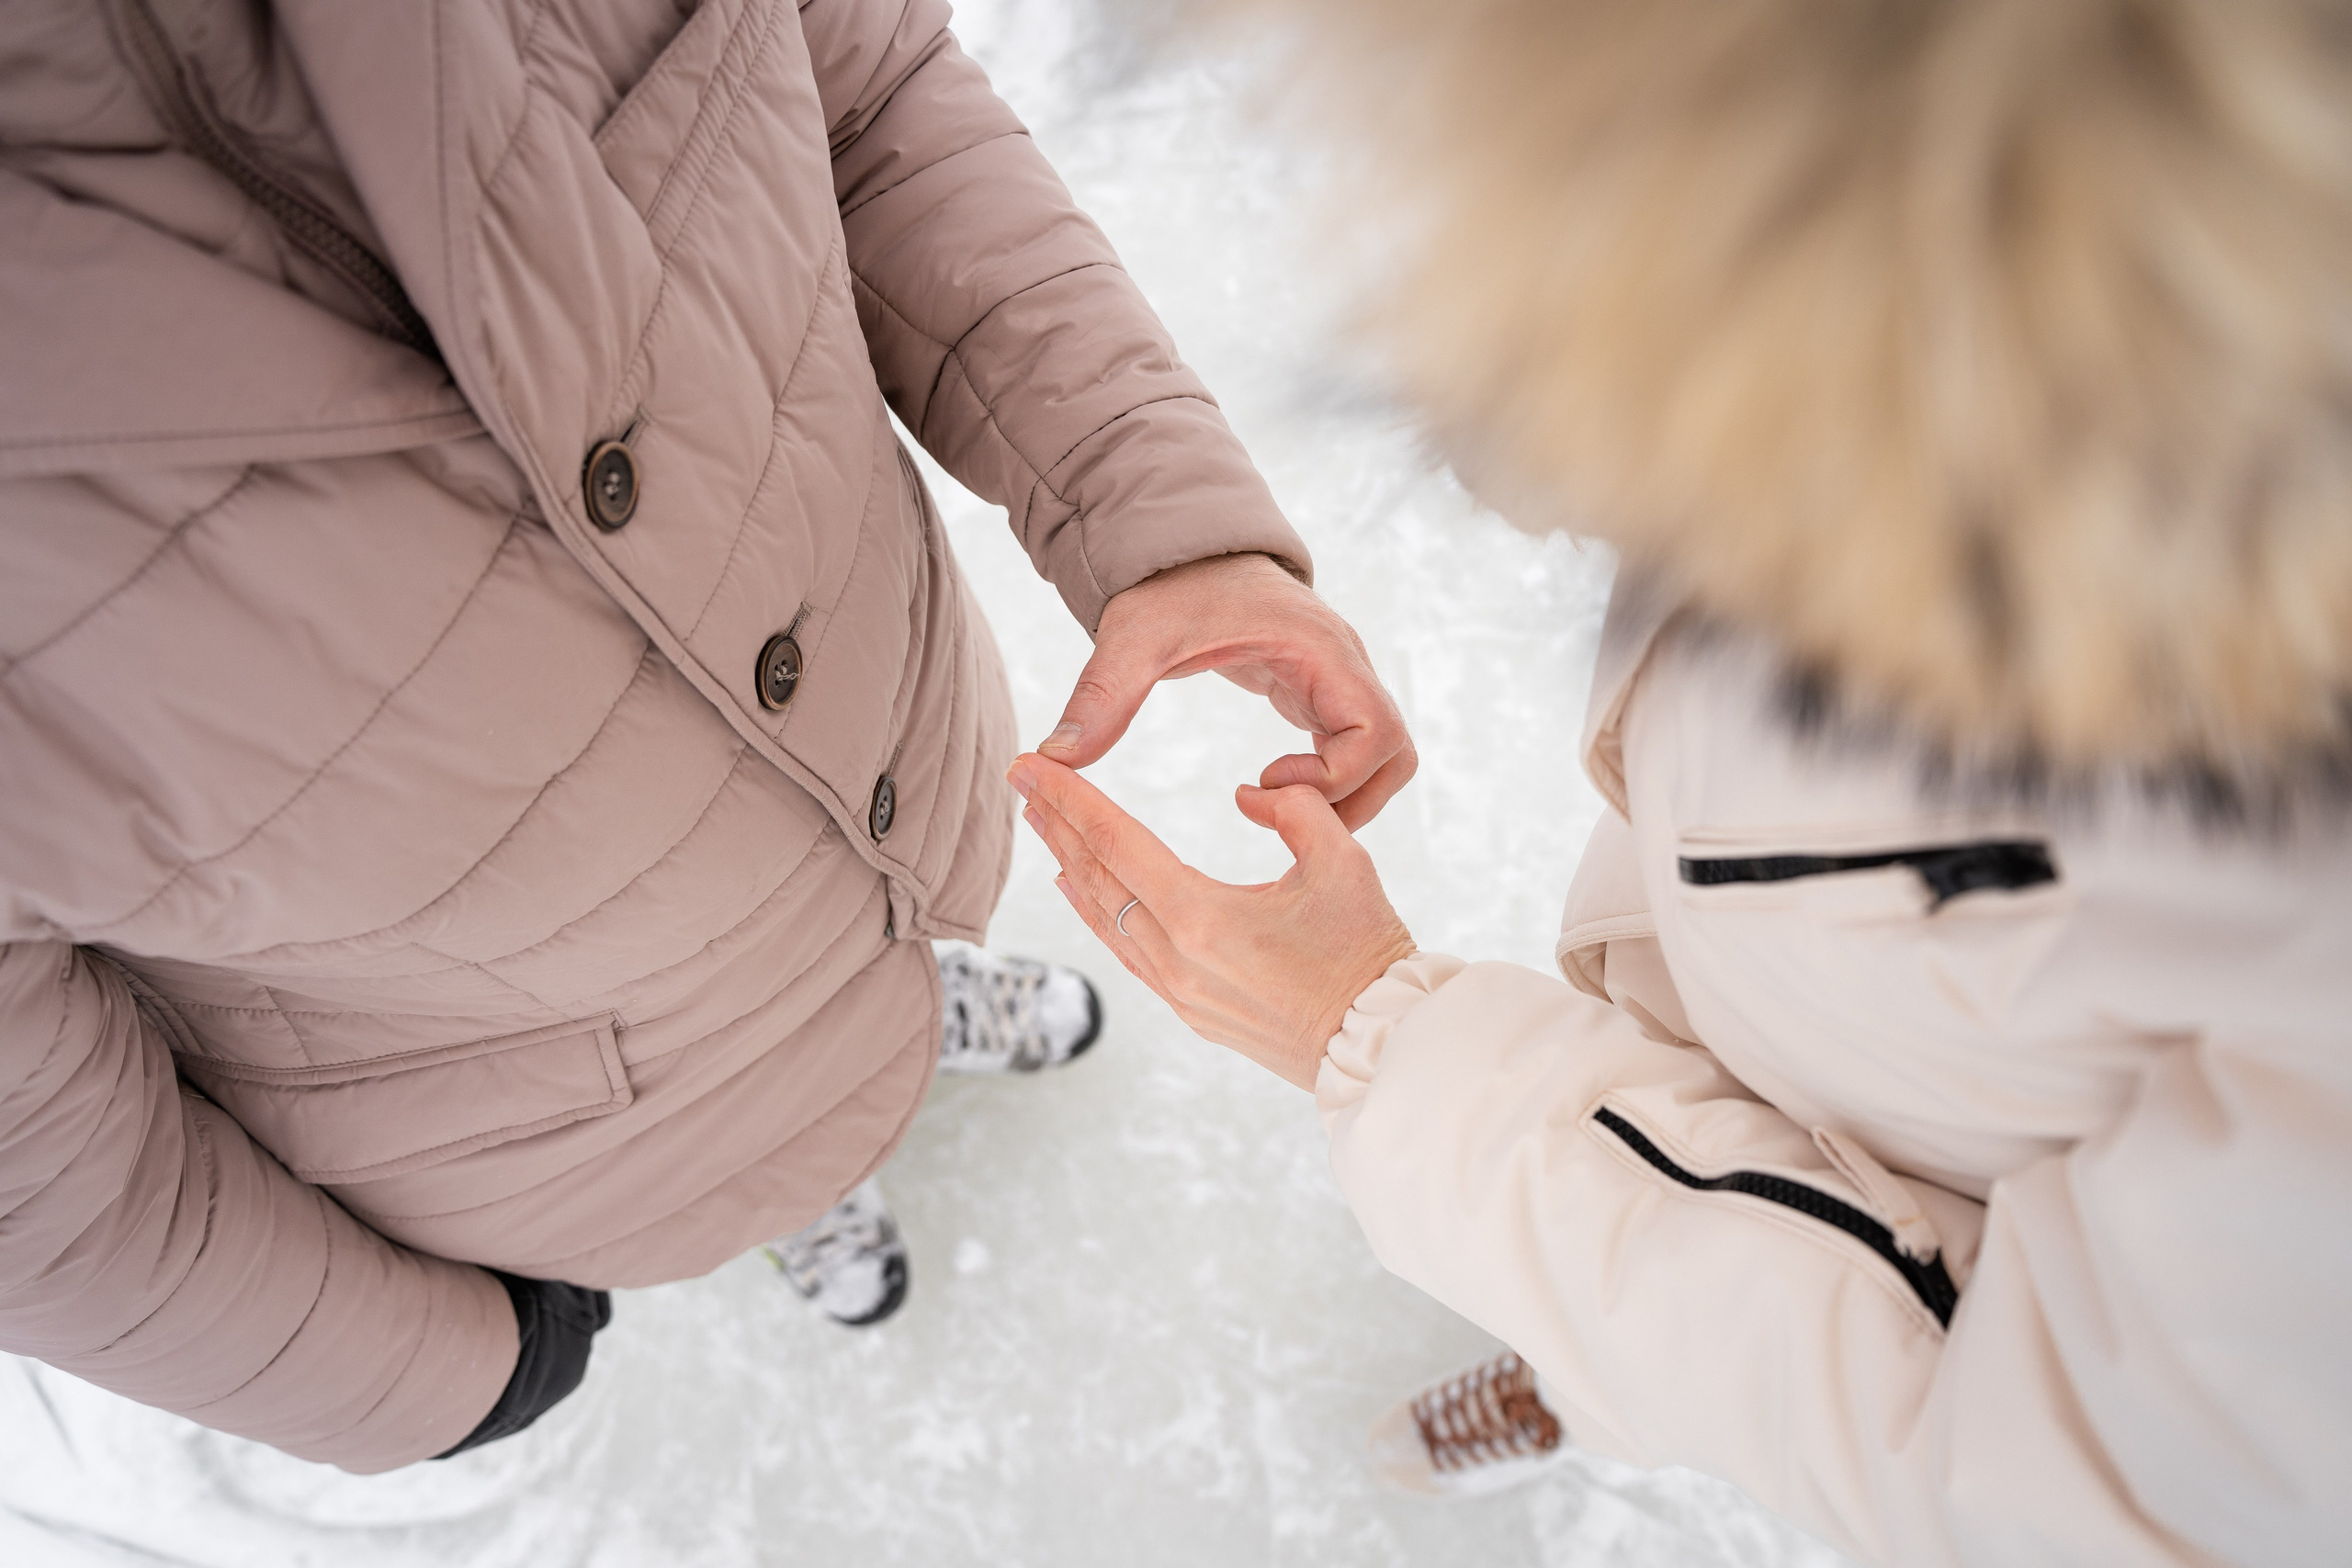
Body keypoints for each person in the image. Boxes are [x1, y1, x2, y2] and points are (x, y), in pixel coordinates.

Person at [1011, 0, 2352, 1562]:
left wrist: (1372, 1031)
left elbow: (2024, 1469)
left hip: (1917, 1230)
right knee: (1649, 1214)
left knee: (1726, 1320)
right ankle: (1587, 1331)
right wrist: (1639, 396)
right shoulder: (2030, 282)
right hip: (1785, 1001)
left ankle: (1602, 1363)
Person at [0, 0, 1412, 1472]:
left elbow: (858, 96)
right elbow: (52, 1191)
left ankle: (917, 1025)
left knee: (888, 981)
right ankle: (798, 1201)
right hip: (584, 1113)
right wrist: (435, 1373)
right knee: (757, 1154)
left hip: (895, 792)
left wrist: (1152, 502)